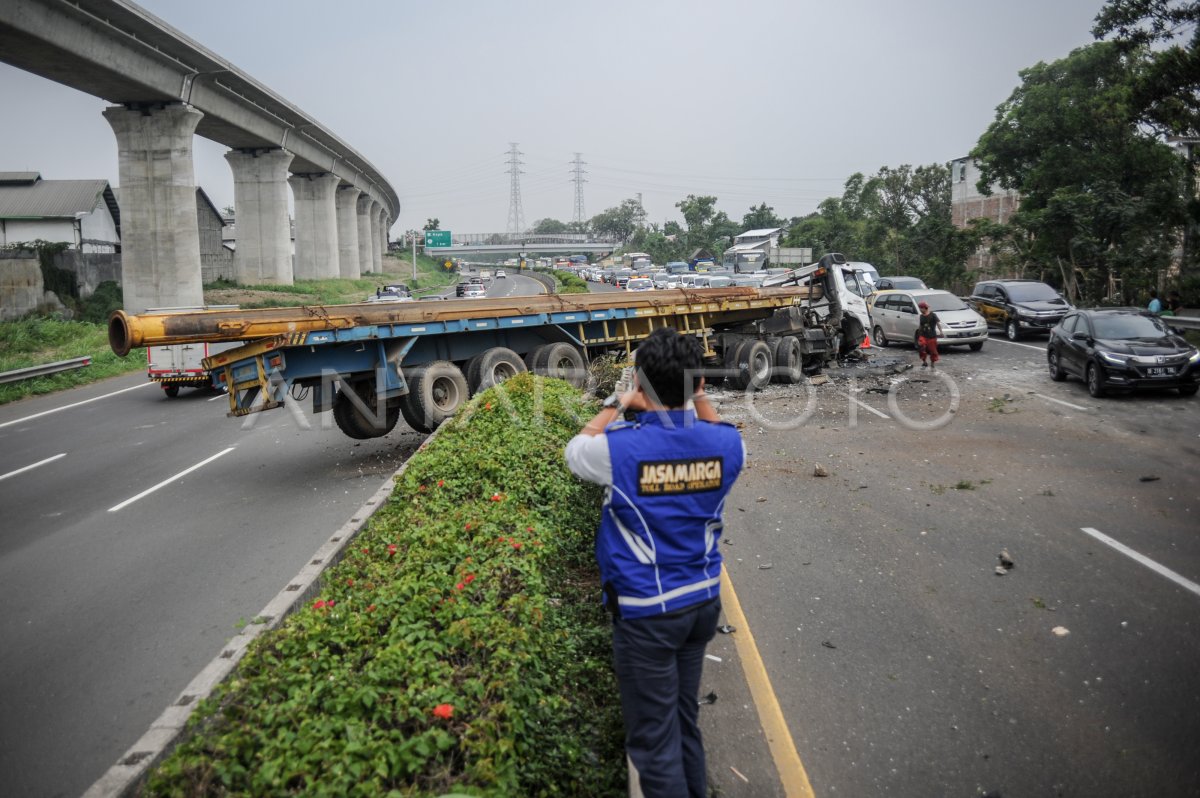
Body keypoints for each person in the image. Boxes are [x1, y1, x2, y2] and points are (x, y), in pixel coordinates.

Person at [565, 327, 745, 798]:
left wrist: (617, 402)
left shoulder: (619, 451)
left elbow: (574, 451)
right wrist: (696, 396)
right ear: (701, 384)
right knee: (685, 721)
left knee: (653, 744)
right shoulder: (728, 447)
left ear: (642, 386)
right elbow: (716, 425)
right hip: (701, 606)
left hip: (648, 614)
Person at [916, 300, 945, 369]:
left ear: (924, 308)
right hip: (923, 335)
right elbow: (921, 325)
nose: (920, 310)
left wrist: (941, 332)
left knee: (933, 351)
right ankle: (924, 361)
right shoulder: (921, 316)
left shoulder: (933, 315)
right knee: (921, 347)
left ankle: (932, 362)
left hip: (932, 336)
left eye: (920, 308)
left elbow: (938, 324)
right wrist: (918, 333)